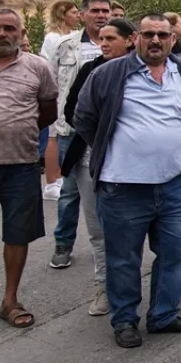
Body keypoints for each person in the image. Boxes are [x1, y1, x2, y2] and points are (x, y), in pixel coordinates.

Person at [73, 12, 181, 347]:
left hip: (174, 185)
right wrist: (121, 151)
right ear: (136, 38)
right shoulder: (108, 74)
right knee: (123, 259)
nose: (156, 40)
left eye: (163, 34)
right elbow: (84, 119)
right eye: (148, 34)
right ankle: (125, 321)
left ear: (173, 39)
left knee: (176, 254)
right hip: (123, 188)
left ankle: (163, 315)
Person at [0, 9, 58, 334]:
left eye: (9, 28)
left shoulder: (38, 67)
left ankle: (10, 301)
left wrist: (18, 131)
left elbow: (47, 111)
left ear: (20, 32)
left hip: (21, 166)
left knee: (18, 235)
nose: (1, 34)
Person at [59, 18, 137, 314]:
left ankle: (131, 288)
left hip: (133, 162)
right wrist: (103, 137)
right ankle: (104, 288)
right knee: (98, 230)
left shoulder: (143, 72)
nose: (103, 43)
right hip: (91, 159)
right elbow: (72, 111)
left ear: (131, 40)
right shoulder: (90, 71)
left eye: (110, 38)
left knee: (130, 229)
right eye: (100, 39)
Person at [49, 0, 111, 270]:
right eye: (95, 11)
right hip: (71, 128)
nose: (101, 15)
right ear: (82, 14)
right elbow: (51, 86)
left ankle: (107, 244)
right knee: (71, 191)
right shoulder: (67, 45)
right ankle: (63, 242)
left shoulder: (118, 44)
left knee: (105, 187)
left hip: (104, 131)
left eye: (105, 11)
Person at [39, 0, 81, 199]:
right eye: (73, 12)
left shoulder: (76, 36)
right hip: (58, 92)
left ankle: (62, 177)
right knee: (53, 135)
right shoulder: (52, 37)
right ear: (62, 14)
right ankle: (51, 181)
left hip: (72, 93)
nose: (77, 15)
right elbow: (49, 66)